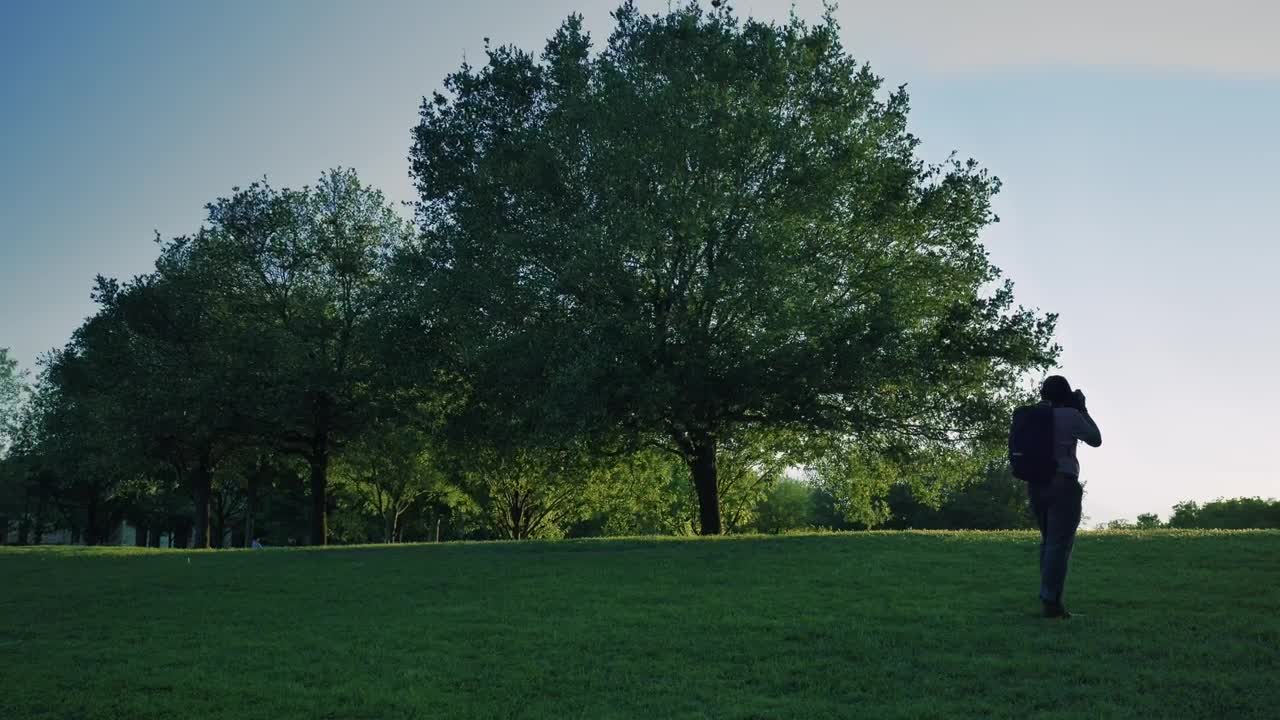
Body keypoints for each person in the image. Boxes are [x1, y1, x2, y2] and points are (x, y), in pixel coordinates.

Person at [1030, 375, 1101, 618]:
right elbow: (1095, 438)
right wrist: (1082, 408)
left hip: (1036, 485)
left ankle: (1047, 597)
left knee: (1048, 542)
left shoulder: (1031, 415)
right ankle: (1051, 603)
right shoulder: (1070, 416)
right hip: (1063, 483)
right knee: (1059, 545)